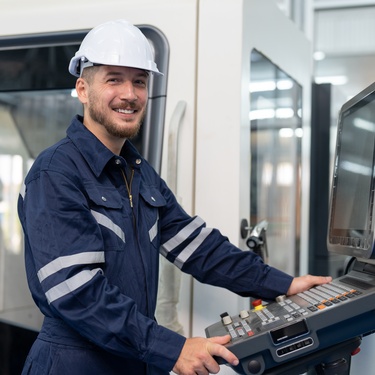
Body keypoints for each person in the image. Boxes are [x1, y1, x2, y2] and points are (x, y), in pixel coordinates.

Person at [18, 19, 332, 375]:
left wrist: (284, 284)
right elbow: (78, 293)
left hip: (133, 356)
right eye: (114, 79)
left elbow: (200, 249)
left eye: (139, 81)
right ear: (83, 89)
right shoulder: (56, 173)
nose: (130, 94)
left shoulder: (137, 172)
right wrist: (172, 348)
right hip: (74, 362)